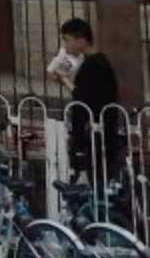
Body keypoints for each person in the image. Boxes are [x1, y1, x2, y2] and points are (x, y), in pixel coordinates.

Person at [48, 17, 124, 183]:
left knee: (97, 180)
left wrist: (64, 79)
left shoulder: (96, 64)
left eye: (67, 40)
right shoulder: (92, 63)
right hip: (94, 134)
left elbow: (84, 97)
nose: (65, 46)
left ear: (81, 40)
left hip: (98, 135)